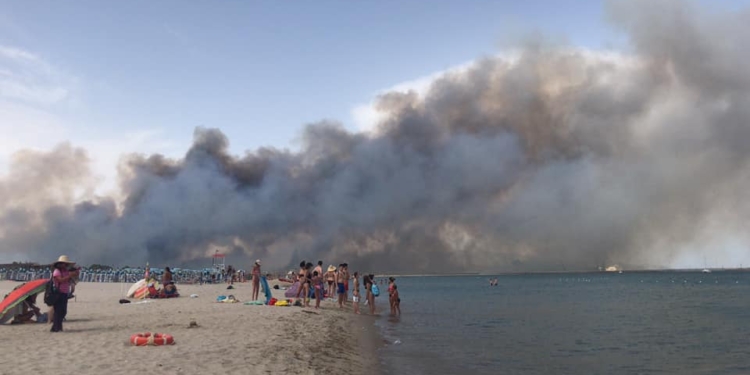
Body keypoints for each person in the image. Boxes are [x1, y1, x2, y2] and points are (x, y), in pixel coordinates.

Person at [51, 255, 78, 332]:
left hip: (64, 293)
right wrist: (70, 276)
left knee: (63, 311)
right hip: (58, 293)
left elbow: (70, 280)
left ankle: (56, 327)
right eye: (64, 264)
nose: (65, 265)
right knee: (58, 311)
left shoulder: (65, 271)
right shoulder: (57, 271)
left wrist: (74, 274)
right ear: (60, 264)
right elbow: (60, 280)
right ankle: (57, 328)